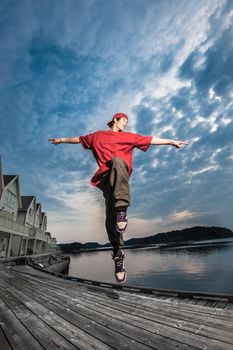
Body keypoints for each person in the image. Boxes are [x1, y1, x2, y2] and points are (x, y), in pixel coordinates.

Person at [48, 112, 188, 283]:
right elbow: (78, 139)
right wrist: (61, 140)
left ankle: (122, 209)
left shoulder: (129, 137)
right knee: (110, 218)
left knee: (117, 161)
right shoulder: (97, 136)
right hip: (106, 179)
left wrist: (172, 142)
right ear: (115, 120)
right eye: (124, 121)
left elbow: (151, 140)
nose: (126, 124)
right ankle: (117, 254)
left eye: (127, 122)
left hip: (121, 172)